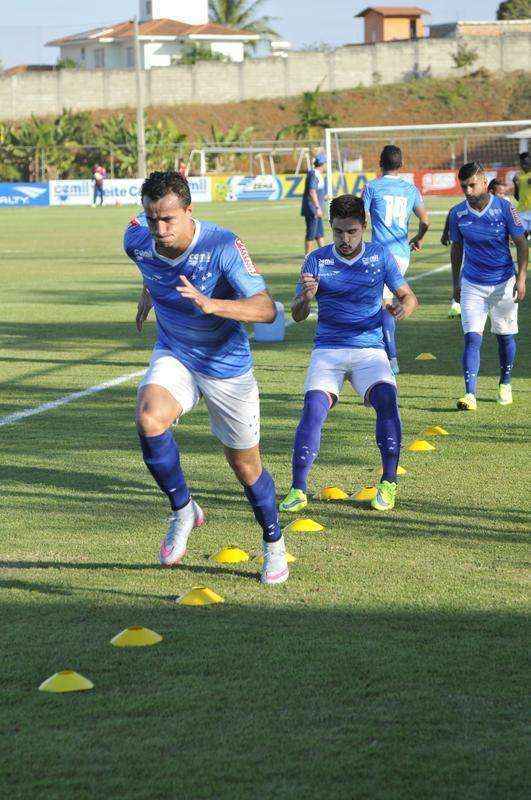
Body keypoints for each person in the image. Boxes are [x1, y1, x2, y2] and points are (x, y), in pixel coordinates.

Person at [123, 170, 289, 585]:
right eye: (151, 218)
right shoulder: (136, 239)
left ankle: (274, 544)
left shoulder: (222, 245)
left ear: (188, 211)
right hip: (175, 351)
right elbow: (149, 266)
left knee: (245, 466)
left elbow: (266, 309)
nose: (158, 229)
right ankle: (183, 510)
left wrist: (213, 305)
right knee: (149, 418)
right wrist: (148, 296)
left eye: (167, 220)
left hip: (226, 364)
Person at [279, 194, 418, 515]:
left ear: (364, 227)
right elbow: (298, 314)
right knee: (313, 408)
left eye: (352, 232)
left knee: (386, 399)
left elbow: (409, 296)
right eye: (339, 231)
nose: (345, 239)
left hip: (370, 349)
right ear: (331, 227)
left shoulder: (381, 256)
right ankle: (298, 488)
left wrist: (402, 308)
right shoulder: (316, 260)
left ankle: (388, 482)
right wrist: (306, 298)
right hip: (328, 348)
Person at [449, 162, 528, 411]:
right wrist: (456, 285)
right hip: (472, 284)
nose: (468, 191)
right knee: (472, 338)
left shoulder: (505, 208)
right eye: (464, 187)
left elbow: (522, 245)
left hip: (503, 283)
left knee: (505, 338)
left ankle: (505, 382)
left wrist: (522, 278)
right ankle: (469, 394)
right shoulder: (457, 213)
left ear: (484, 182)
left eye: (472, 185)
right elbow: (456, 249)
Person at [362, 145, 429, 374]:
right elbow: (425, 221)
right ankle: (385, 354)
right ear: (401, 165)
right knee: (390, 302)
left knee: (383, 305)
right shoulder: (410, 189)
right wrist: (418, 238)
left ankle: (391, 360)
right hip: (402, 254)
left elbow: (360, 219)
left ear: (380, 163)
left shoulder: (372, 187)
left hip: (380, 254)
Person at [301, 153, 327, 255]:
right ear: (322, 164)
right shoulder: (314, 174)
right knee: (311, 233)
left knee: (319, 233)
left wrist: (324, 197)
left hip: (317, 209)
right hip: (313, 209)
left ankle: (325, 255)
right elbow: (312, 191)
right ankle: (307, 257)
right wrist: (317, 207)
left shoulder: (318, 175)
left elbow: (316, 192)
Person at [512, 152, 531, 237]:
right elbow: (517, 197)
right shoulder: (518, 176)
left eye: (526, 163)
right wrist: (516, 184)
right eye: (522, 163)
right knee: (521, 238)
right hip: (522, 211)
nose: (524, 165)